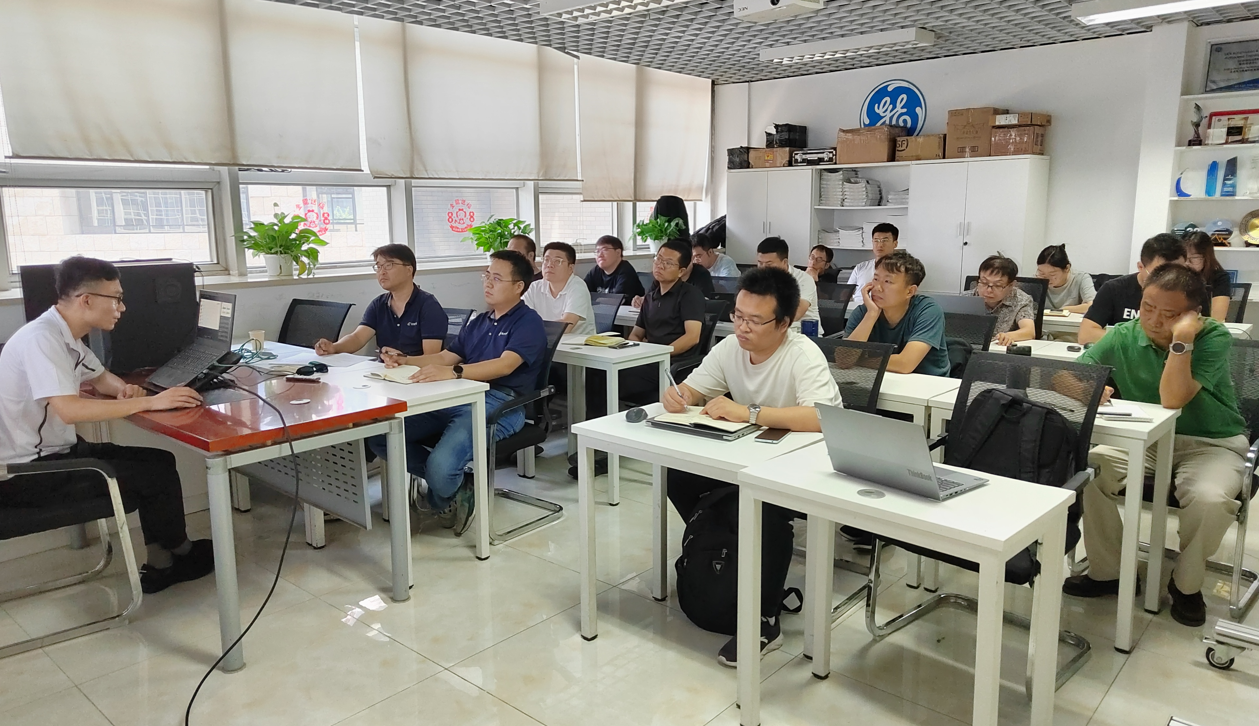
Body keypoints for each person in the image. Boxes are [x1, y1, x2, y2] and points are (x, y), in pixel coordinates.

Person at [660, 267, 843, 666]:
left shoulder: (802, 354)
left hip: (805, 462)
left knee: (763, 507)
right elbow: (695, 388)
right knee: (678, 475)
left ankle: (765, 618)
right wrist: (679, 395)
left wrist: (749, 412)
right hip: (749, 455)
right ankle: (724, 546)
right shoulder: (731, 348)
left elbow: (821, 417)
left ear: (784, 323)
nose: (742, 327)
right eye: (738, 316)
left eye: (755, 321)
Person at [0, 256, 213, 594]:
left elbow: (100, 378)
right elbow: (69, 410)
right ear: (86, 300)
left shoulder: (65, 334)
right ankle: (169, 561)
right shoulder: (42, 340)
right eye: (116, 298)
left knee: (159, 461)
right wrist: (150, 402)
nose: (122, 308)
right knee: (153, 474)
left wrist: (123, 390)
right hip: (27, 473)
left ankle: (169, 555)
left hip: (56, 453)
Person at [1064, 264, 1247, 627]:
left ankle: (1186, 584)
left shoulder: (1213, 337)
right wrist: (1088, 390)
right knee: (1087, 471)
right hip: (1145, 439)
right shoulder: (1124, 334)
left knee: (1211, 499)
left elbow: (1173, 398)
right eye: (1147, 307)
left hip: (1212, 442)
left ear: (1194, 314)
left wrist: (1182, 339)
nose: (1153, 320)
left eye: (1169, 314)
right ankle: (1111, 571)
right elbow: (1065, 375)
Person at [367, 250, 547, 535]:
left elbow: (505, 365)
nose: (487, 283)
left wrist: (455, 372)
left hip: (501, 404)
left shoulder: (528, 322)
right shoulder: (480, 321)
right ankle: (459, 485)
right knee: (379, 435)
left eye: (496, 278)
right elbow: (445, 357)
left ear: (518, 286)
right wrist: (405, 360)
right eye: (486, 275)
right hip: (457, 396)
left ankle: (444, 488)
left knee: (440, 467)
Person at [570, 238, 704, 478]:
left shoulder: (689, 295)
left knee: (609, 381)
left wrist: (660, 352)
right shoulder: (651, 295)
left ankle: (606, 449)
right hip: (646, 359)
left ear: (682, 271)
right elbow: (636, 333)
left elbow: (692, 337)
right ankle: (597, 440)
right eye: (658, 259)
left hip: (670, 365)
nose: (660, 265)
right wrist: (630, 348)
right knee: (597, 372)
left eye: (668, 262)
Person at [315, 244, 448, 358]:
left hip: (417, 374)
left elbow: (432, 358)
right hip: (385, 371)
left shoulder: (429, 306)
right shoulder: (379, 304)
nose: (382, 272)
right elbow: (358, 338)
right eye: (378, 266)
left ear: (409, 270)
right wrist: (334, 347)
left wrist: (404, 360)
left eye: (389, 265)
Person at [843, 250, 950, 376]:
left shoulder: (927, 310)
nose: (877, 287)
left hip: (929, 383)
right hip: (880, 379)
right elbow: (843, 359)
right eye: (876, 279)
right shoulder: (864, 312)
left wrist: (859, 361)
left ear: (910, 291)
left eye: (887, 281)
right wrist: (871, 315)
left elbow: (904, 364)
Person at [1080, 233, 1186, 344]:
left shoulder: (1189, 293)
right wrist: (1135, 344)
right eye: (1160, 274)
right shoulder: (1114, 289)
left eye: (1178, 273)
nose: (1169, 281)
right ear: (1141, 267)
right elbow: (1086, 334)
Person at [523, 242, 595, 336]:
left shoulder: (578, 287)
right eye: (546, 260)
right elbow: (520, 317)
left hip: (577, 343)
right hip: (545, 340)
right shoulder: (534, 287)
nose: (550, 265)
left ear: (570, 268)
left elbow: (565, 326)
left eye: (557, 261)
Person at [967, 254, 1036, 346]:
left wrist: (1009, 336)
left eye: (997, 285)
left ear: (1011, 285)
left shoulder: (1021, 300)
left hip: (1000, 349)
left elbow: (1029, 331)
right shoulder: (965, 298)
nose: (988, 290)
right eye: (984, 282)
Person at [755, 237, 819, 332]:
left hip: (802, 333)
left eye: (769, 264)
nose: (763, 269)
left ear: (784, 262)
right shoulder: (757, 279)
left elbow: (796, 314)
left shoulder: (804, 279)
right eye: (760, 263)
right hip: (769, 332)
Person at [1184, 231, 1232, 321]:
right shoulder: (1176, 276)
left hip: (1206, 327)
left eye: (1194, 258)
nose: (1187, 263)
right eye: (1184, 257)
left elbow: (1217, 319)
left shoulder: (1219, 278)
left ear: (1206, 257)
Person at [1035, 244, 1095, 314]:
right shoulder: (1037, 281)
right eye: (1042, 273)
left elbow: (1092, 305)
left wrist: (1064, 309)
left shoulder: (1081, 278)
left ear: (1067, 268)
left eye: (1052, 274)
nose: (1047, 279)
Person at [846, 222, 899, 297]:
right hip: (858, 304)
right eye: (876, 240)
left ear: (895, 244)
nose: (880, 245)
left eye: (884, 240)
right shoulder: (860, 267)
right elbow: (845, 294)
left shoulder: (900, 269)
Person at [584, 235, 645, 299]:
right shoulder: (596, 271)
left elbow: (617, 300)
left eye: (605, 250)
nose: (600, 255)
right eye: (597, 251)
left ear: (618, 253)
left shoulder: (626, 272)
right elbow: (583, 292)